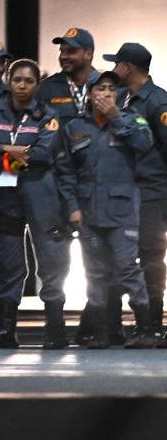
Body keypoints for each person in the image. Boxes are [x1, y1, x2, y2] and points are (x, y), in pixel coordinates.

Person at [0, 58, 68, 348]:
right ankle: (5, 331)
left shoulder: (48, 116)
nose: (22, 86)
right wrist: (10, 150)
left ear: (37, 85)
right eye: (17, 80)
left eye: (29, 81)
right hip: (5, 196)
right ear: (9, 82)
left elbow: (41, 156)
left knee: (51, 260)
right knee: (7, 264)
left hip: (41, 195)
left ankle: (55, 329)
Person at [57, 69, 154, 348]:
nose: (106, 93)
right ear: (88, 95)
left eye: (112, 88)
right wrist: (72, 207)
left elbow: (143, 144)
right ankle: (100, 332)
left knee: (127, 269)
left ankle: (146, 329)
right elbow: (65, 172)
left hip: (122, 212)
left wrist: (115, 116)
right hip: (88, 212)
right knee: (95, 272)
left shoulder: (131, 120)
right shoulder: (75, 128)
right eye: (100, 89)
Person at [109, 42, 167, 348]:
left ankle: (153, 325)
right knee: (126, 258)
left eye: (117, 63)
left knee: (151, 256)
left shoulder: (158, 102)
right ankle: (138, 323)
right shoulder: (122, 98)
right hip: (126, 190)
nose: (115, 69)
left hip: (152, 191)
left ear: (128, 67)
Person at [37, 27, 98, 121]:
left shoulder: (106, 85)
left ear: (88, 54)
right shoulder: (45, 88)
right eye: (61, 51)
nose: (63, 56)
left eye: (71, 51)